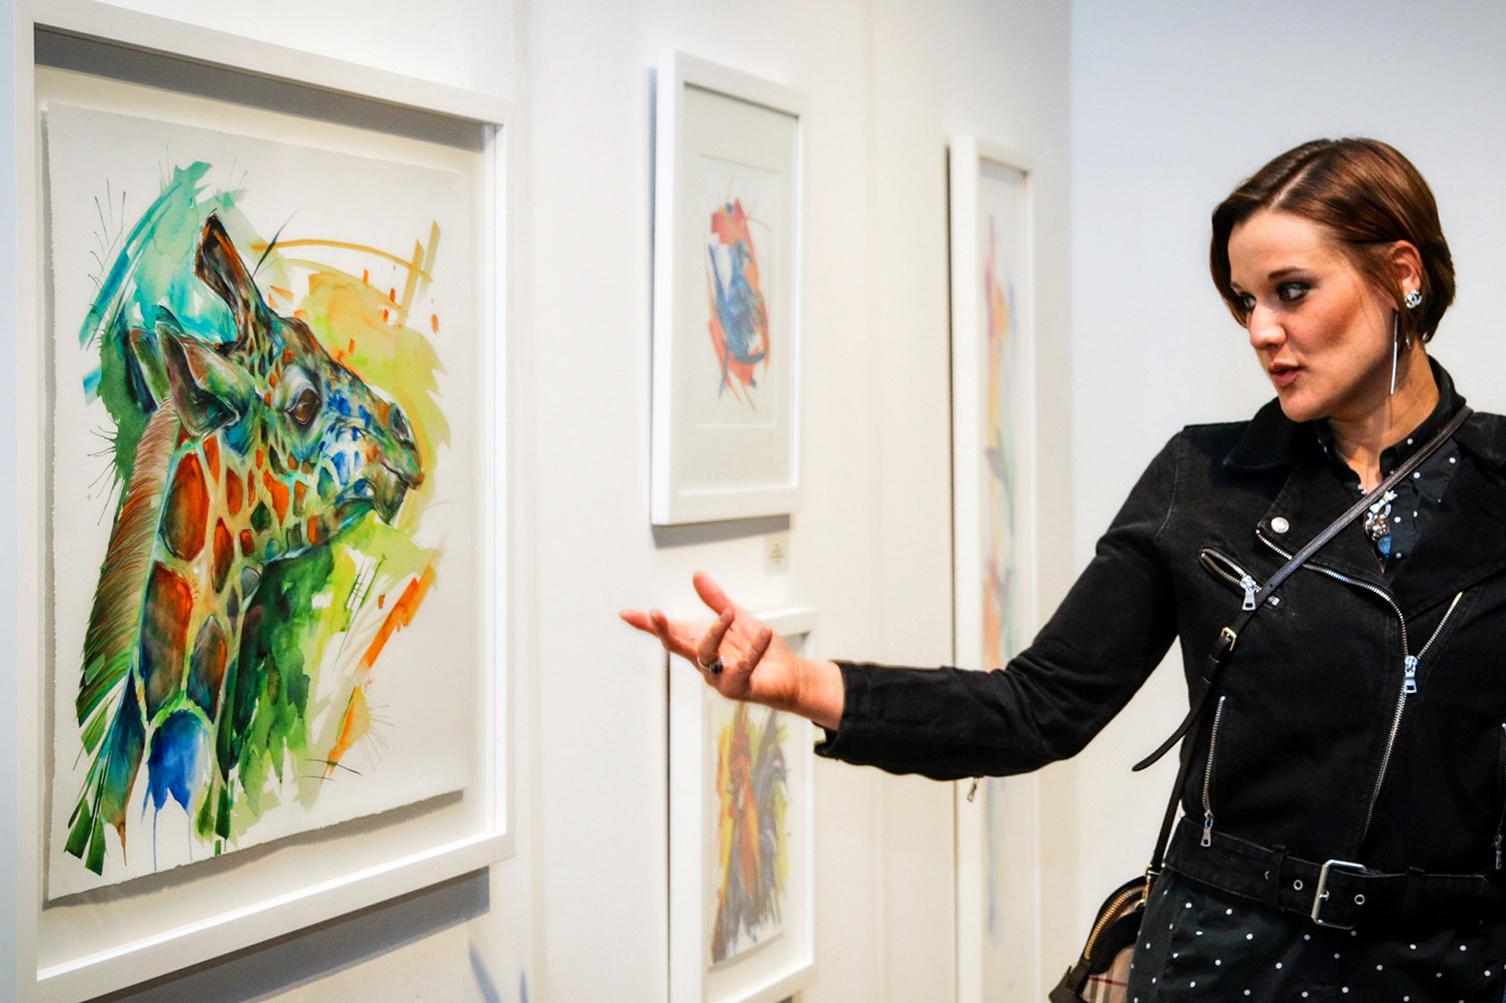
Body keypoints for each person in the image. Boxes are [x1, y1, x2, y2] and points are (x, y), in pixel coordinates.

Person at [622, 138, 1506, 1001]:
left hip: (1457, 964)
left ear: (1401, 274)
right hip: (1231, 959)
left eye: (1292, 291)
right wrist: (802, 682)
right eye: (1245, 301)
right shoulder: (1205, 479)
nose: (1261, 329)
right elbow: (1035, 708)